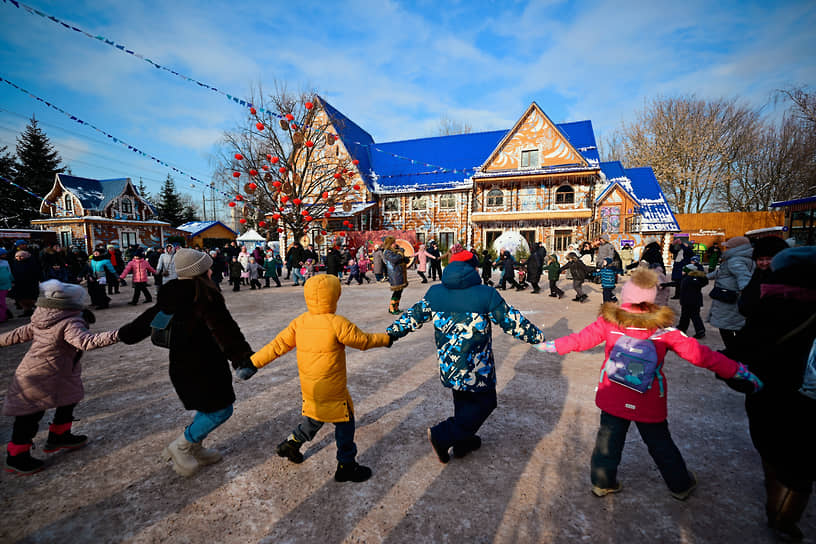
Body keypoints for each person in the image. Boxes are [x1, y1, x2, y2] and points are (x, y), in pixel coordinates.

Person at [534, 267, 763, 499]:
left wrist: (551, 345)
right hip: (648, 398)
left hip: (614, 394)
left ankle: (603, 482)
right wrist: (737, 371)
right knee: (660, 443)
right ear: (652, 300)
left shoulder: (609, 323)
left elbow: (580, 340)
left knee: (608, 441)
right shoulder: (664, 331)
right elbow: (701, 355)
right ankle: (680, 484)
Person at [386, 249, 546, 463]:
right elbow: (512, 321)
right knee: (486, 402)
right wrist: (537, 337)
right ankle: (443, 435)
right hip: (478, 366)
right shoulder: (485, 294)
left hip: (450, 365)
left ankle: (462, 442)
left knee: (463, 404)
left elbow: (411, 318)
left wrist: (390, 335)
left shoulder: (435, 293)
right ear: (474, 268)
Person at [241, 274, 391, 482]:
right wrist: (387, 338)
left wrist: (253, 363)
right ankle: (346, 465)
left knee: (315, 418)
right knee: (345, 425)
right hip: (334, 389)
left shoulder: (300, 322)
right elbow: (363, 341)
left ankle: (292, 442)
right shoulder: (337, 323)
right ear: (334, 297)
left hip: (311, 387)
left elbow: (277, 346)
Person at [118, 249, 255, 477]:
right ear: (200, 272)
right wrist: (242, 360)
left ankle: (195, 447)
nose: (212, 270)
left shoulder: (171, 296)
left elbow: (145, 321)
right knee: (221, 410)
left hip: (183, 366)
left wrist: (125, 334)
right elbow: (226, 331)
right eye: (208, 267)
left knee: (208, 407)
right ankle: (181, 445)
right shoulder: (204, 298)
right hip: (205, 367)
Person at [732, 247, 816, 542]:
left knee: (772, 453)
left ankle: (775, 510)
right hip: (806, 404)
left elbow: (741, 350)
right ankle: (785, 520)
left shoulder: (769, 304)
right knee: (801, 471)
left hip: (764, 396)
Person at [2, 280, 120, 474]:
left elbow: (15, 334)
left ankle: (59, 435)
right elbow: (86, 341)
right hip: (40, 375)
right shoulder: (69, 321)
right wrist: (119, 334)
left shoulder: (43, 318)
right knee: (30, 416)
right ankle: (17, 455)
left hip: (56, 372)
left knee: (69, 399)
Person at [708, 236, 754, 353]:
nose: (725, 249)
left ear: (736, 248)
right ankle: (735, 350)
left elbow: (744, 278)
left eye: (728, 247)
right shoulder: (740, 259)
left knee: (726, 328)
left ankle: (733, 352)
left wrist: (746, 293)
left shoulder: (736, 261)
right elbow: (721, 272)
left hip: (729, 301)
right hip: (731, 301)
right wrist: (703, 276)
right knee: (734, 327)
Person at [737, 236, 789, 320]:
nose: (764, 263)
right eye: (760, 259)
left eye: (769, 259)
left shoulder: (785, 278)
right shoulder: (758, 274)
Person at [676, 260, 708, 339]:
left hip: (688, 301)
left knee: (688, 315)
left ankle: (696, 330)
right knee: (691, 315)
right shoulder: (695, 278)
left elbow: (679, 284)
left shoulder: (689, 278)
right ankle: (686, 328)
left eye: (684, 270)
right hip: (695, 301)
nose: (682, 271)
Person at [383, 237, 409, 314]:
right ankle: (392, 308)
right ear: (390, 244)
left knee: (400, 291)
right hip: (394, 274)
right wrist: (400, 253)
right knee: (397, 291)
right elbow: (394, 260)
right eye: (394, 243)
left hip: (399, 272)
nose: (395, 244)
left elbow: (401, 259)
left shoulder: (395, 251)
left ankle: (396, 307)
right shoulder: (387, 252)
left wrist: (405, 258)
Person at [9, 250, 39, 317]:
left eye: (21, 256)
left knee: (31, 298)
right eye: (17, 256)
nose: (18, 258)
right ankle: (27, 310)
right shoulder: (14, 263)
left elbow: (36, 272)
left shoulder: (31, 262)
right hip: (19, 283)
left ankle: (34, 310)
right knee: (21, 298)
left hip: (30, 283)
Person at [0, 248, 12, 322]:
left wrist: (11, 281)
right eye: (3, 254)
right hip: (5, 284)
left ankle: (3, 317)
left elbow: (9, 273)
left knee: (1, 302)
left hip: (4, 285)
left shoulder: (6, 262)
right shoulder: (6, 262)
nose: (5, 255)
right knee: (2, 302)